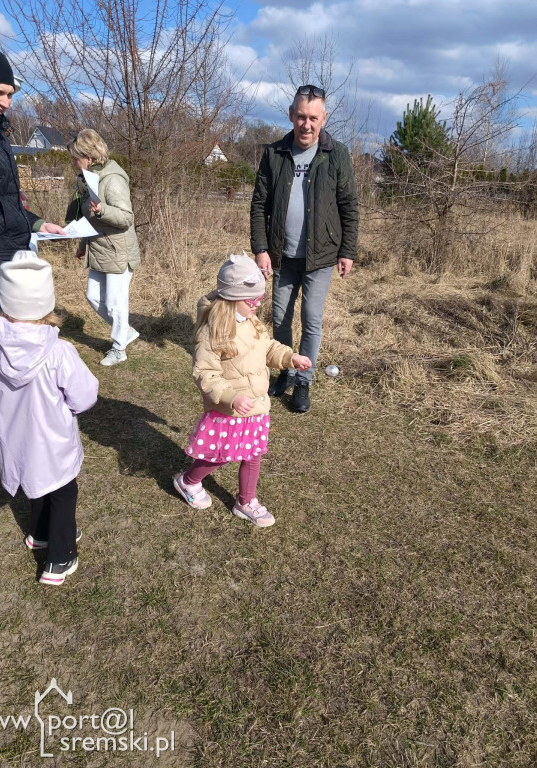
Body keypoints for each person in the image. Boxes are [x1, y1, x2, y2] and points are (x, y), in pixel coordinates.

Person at [0, 251, 99, 585]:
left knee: (36, 484)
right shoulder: (59, 351)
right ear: (46, 303)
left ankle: (39, 533)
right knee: (62, 492)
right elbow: (85, 395)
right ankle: (60, 558)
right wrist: (68, 410)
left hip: (13, 437)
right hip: (52, 440)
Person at [173, 253, 311, 527]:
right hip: (230, 408)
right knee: (220, 455)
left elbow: (268, 347)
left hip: (256, 405)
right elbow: (205, 373)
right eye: (252, 300)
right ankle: (188, 481)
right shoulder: (212, 330)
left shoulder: (251, 321)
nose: (258, 304)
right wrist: (231, 397)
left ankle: (246, 501)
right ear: (233, 298)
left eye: (260, 298)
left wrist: (289, 358)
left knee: (253, 455)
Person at [250, 84, 359, 413]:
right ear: (291, 115)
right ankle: (284, 371)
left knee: (311, 321)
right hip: (282, 255)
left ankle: (303, 382)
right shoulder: (274, 153)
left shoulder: (336, 153)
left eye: (313, 117)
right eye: (300, 117)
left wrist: (347, 250)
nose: (306, 124)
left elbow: (348, 205)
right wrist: (261, 248)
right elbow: (259, 205)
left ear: (323, 118)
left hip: (321, 256)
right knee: (280, 320)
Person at [0, 42, 66, 330]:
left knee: (29, 339)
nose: (6, 102)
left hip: (15, 253)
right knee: (5, 347)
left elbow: (2, 200)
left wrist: (38, 224)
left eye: (10, 94)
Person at [67, 129, 141, 367]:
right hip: (98, 247)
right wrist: (82, 243)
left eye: (77, 157)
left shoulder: (113, 180)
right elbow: (89, 217)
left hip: (118, 251)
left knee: (115, 303)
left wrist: (103, 210)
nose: (74, 163)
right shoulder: (90, 178)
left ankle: (119, 348)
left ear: (89, 157)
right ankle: (126, 331)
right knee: (92, 296)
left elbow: (126, 218)